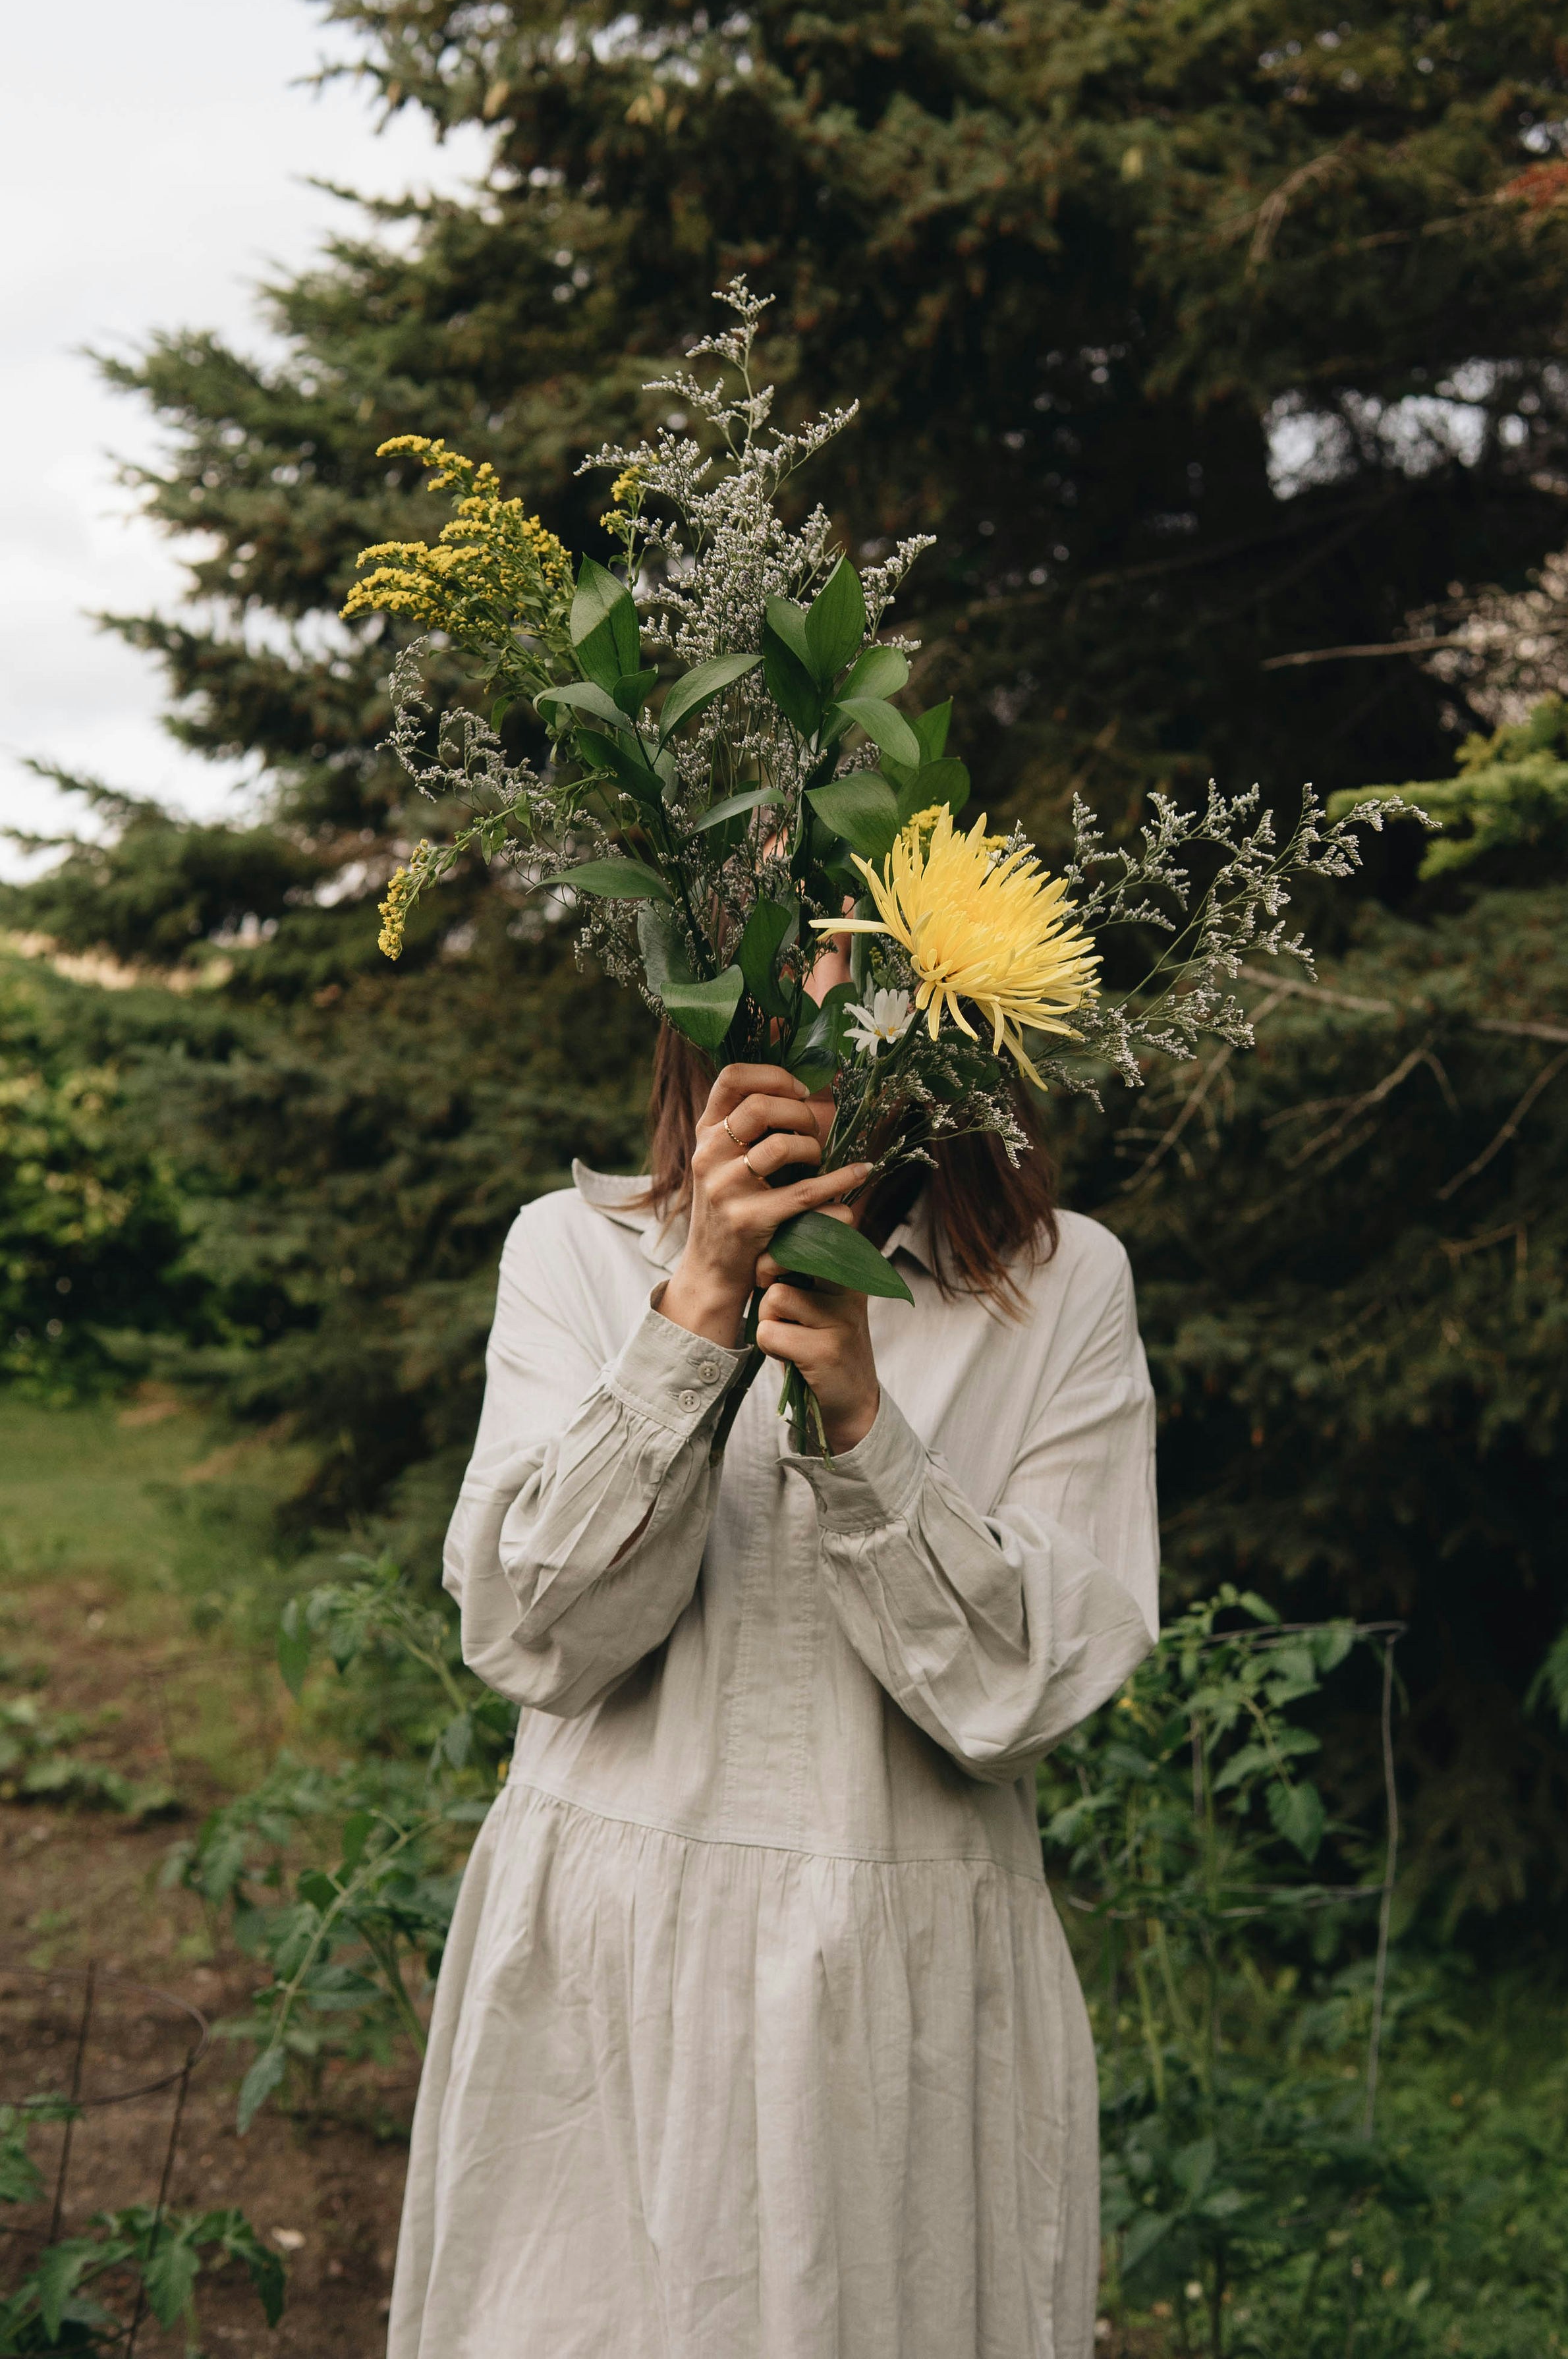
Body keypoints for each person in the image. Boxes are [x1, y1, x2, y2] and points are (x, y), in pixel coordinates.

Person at [387, 966, 1160, 2359]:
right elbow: (534, 1635)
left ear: (957, 1025)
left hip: (904, 1993)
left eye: (866, 995)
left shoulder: (1063, 1288)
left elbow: (1025, 1692)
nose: (816, 1041)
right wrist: (691, 1318)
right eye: (775, 993)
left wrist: (865, 1425)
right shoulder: (574, 1250)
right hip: (610, 1966)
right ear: (704, 1008)